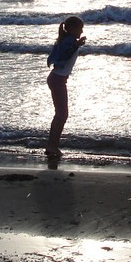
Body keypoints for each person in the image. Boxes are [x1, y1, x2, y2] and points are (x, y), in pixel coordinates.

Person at [45, 16, 86, 158]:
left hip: (58, 78)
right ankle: (52, 146)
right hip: (57, 79)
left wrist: (77, 44)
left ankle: (52, 146)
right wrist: (77, 45)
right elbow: (65, 55)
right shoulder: (69, 41)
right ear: (73, 29)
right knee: (62, 115)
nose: (81, 32)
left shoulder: (67, 40)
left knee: (60, 114)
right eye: (80, 29)